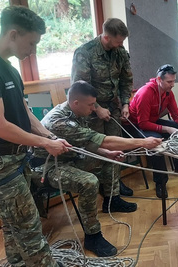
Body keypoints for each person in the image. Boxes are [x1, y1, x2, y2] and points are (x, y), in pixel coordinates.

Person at [0, 6, 70, 267]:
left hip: (16, 159)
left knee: (13, 225)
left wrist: (48, 135)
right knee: (30, 231)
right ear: (13, 34)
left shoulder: (9, 69)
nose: (33, 50)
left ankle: (16, 264)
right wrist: (45, 143)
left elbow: (23, 111)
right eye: (31, 42)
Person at [38, 80, 162, 256]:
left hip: (70, 157)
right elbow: (102, 139)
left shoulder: (77, 111)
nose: (93, 108)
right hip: (48, 166)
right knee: (88, 182)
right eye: (90, 105)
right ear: (76, 103)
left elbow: (88, 142)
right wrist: (143, 142)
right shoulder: (60, 121)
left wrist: (107, 153)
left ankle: (112, 200)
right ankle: (93, 236)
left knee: (112, 157)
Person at [71, 18, 133, 196]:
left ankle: (113, 189)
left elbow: (126, 79)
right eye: (118, 41)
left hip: (113, 107)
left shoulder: (120, 52)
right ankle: (99, 190)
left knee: (115, 148)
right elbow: (79, 87)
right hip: (90, 110)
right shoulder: (85, 53)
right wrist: (97, 108)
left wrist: (125, 103)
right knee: (96, 152)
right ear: (106, 37)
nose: (121, 45)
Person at [125, 64, 178, 198]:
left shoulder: (168, 93)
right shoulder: (145, 93)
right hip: (135, 125)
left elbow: (176, 115)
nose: (172, 85)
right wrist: (166, 128)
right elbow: (143, 123)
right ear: (159, 80)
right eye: (169, 82)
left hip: (151, 122)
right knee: (155, 142)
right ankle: (160, 182)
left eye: (174, 81)